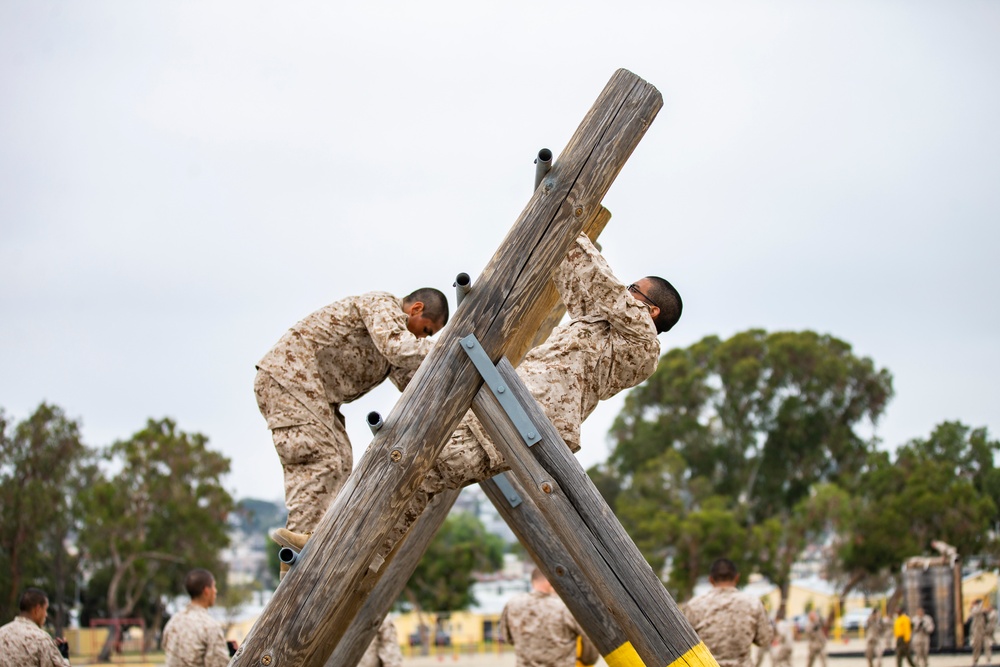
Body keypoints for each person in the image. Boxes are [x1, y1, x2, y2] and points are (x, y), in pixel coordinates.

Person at [377, 232, 682, 560]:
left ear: (650, 311)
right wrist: (557, 238)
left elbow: (600, 283)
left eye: (633, 290)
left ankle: (365, 549)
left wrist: (570, 220)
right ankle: (371, 551)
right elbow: (574, 281)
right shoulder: (602, 326)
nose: (625, 290)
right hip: (505, 405)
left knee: (428, 468)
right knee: (418, 469)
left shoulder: (642, 343)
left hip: (523, 421)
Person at [257, 287, 449, 553]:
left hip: (312, 393)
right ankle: (301, 550)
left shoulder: (396, 338)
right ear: (416, 309)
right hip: (290, 379)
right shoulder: (382, 307)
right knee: (321, 460)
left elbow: (412, 380)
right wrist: (449, 347)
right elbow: (399, 348)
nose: (422, 338)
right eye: (426, 330)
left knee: (342, 459)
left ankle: (313, 539)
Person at [500, 567, 599, 667]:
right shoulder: (565, 607)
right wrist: (588, 659)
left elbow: (507, 637)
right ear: (551, 581)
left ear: (533, 581)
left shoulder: (513, 604)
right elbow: (589, 639)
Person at [683, 558, 773, 667]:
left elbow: (683, 644)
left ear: (711, 579)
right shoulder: (752, 604)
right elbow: (764, 640)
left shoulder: (694, 606)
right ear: (736, 577)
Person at [161, 569, 233, 667]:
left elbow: (166, 648)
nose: (215, 591)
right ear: (206, 591)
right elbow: (219, 664)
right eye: (214, 586)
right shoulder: (210, 626)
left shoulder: (173, 621)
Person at [0, 587, 70, 666]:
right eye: (45, 609)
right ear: (37, 609)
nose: (46, 615)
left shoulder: (1, 633)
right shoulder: (41, 639)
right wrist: (63, 656)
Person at [970, 598, 997, 667]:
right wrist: (981, 607)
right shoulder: (975, 609)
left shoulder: (985, 611)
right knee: (977, 647)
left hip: (985, 632)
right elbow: (975, 612)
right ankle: (975, 661)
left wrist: (988, 611)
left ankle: (988, 661)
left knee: (987, 647)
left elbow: (991, 617)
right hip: (977, 631)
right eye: (980, 603)